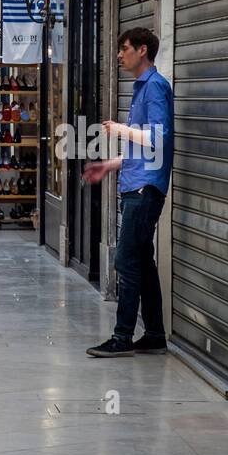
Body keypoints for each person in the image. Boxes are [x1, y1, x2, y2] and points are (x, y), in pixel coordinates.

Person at [84, 28, 174, 358]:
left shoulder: (154, 88)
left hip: (145, 189)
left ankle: (122, 337)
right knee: (143, 262)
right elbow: (143, 148)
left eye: (124, 49)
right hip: (138, 182)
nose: (119, 55)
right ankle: (153, 334)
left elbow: (157, 140)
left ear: (143, 50)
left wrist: (120, 130)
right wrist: (110, 165)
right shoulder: (142, 89)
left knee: (126, 259)